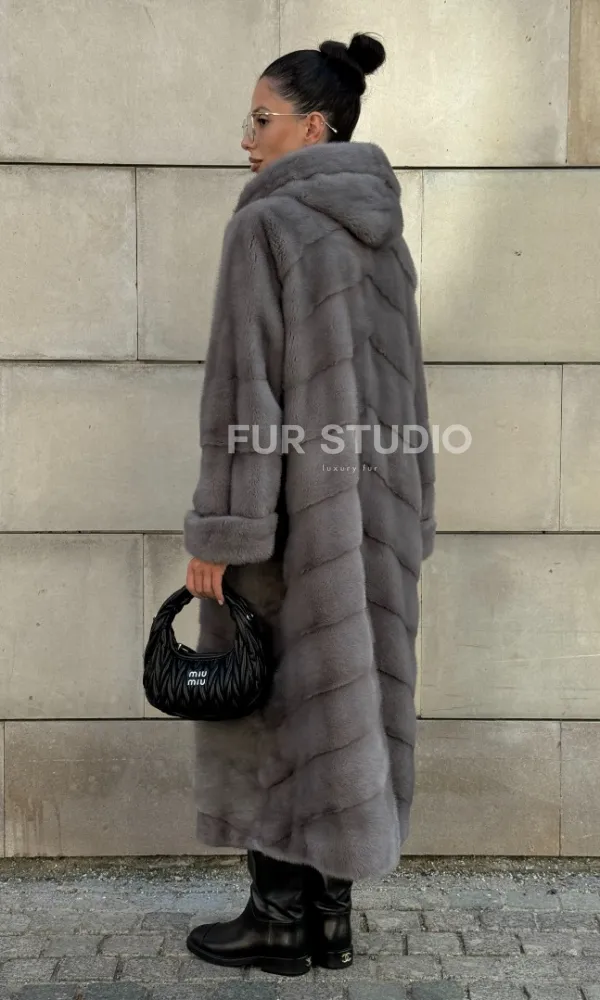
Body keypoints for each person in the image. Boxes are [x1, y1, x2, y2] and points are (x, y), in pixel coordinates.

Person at [182, 32, 436, 978]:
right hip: (374, 524)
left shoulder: (267, 227)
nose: (247, 138)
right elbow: (411, 397)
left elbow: (243, 401)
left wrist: (224, 532)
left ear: (314, 127)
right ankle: (331, 919)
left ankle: (278, 919)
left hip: (290, 527)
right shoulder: (382, 235)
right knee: (349, 703)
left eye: (262, 119)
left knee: (278, 707)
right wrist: (413, 513)